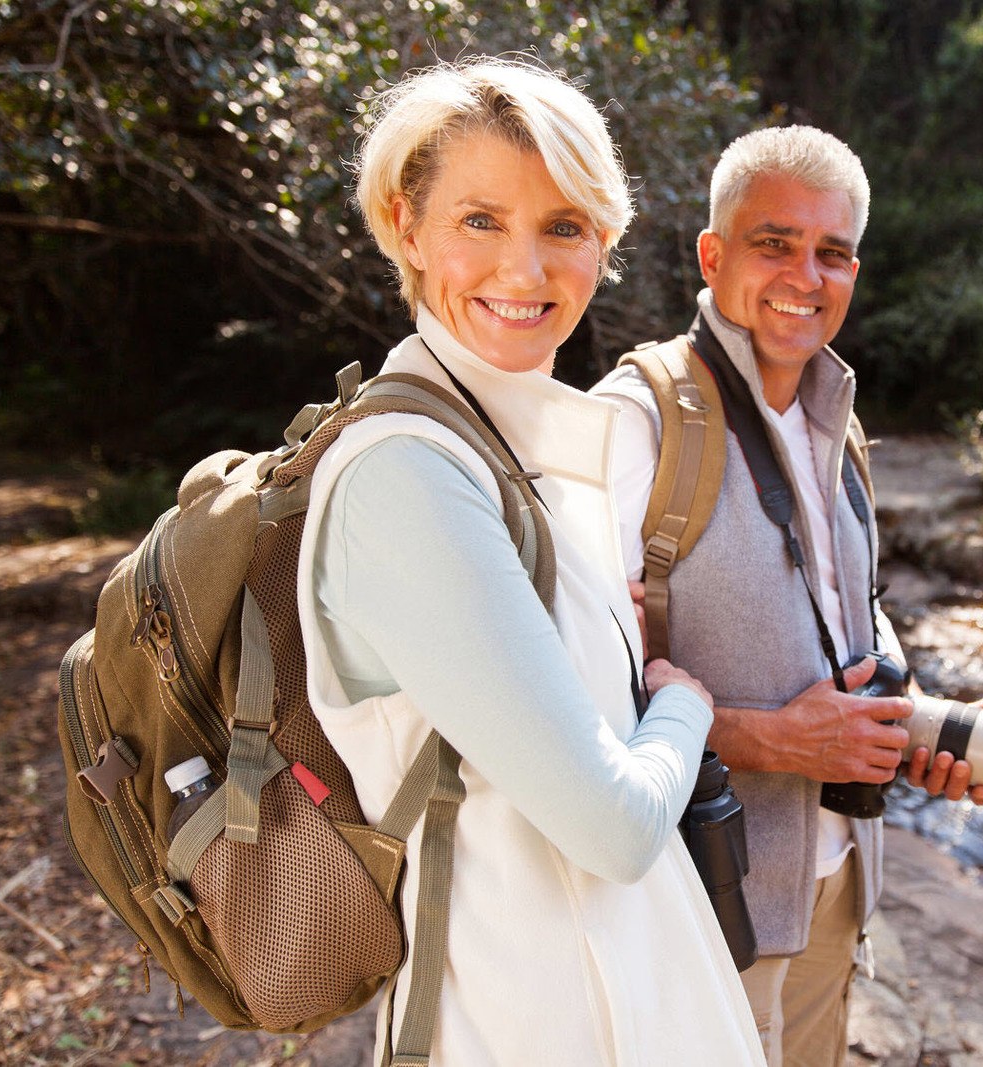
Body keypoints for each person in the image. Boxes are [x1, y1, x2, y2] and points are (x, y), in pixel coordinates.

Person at [296, 57, 764, 1064]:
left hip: (611, 1004)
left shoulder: (510, 450)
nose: (526, 269)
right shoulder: (407, 476)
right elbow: (616, 827)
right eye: (480, 220)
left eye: (563, 226)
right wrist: (684, 701)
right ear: (404, 224)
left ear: (603, 242)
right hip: (525, 1026)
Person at [594, 126, 983, 1066]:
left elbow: (848, 615)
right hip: (706, 903)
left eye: (832, 253)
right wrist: (772, 739)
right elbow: (571, 690)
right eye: (774, 243)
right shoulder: (637, 423)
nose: (804, 276)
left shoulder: (837, 418)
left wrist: (910, 722)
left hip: (838, 888)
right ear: (714, 253)